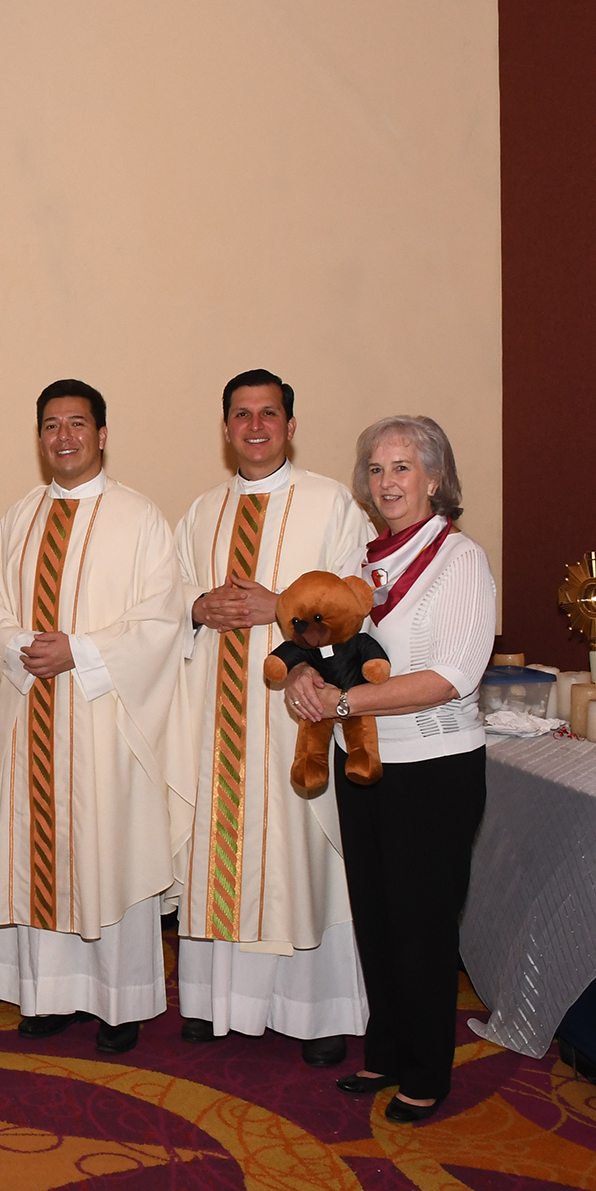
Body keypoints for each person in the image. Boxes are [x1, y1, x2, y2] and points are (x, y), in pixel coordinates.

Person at [283, 414, 494, 1122]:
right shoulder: (362, 560)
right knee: (374, 914)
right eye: (376, 469)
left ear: (435, 478)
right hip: (364, 761)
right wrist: (303, 677)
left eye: (403, 467)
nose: (387, 481)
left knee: (421, 922)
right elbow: (322, 642)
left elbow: (453, 675)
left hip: (433, 766)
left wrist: (345, 700)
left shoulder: (460, 560)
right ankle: (387, 1049)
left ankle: (427, 1070)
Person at [0, 381, 186, 1053]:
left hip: (105, 724)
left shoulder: (139, 517)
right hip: (31, 715)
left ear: (101, 434)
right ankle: (49, 995)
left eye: (77, 424)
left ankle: (120, 1002)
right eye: (51, 425)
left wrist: (81, 650)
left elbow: (161, 618)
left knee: (107, 854)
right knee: (41, 853)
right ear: (39, 437)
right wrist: (17, 644)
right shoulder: (20, 517)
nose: (63, 437)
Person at [172, 370, 376, 1066]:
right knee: (217, 851)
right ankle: (212, 1003)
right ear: (226, 428)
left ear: (290, 425)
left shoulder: (331, 504)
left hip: (295, 711)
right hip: (215, 718)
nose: (254, 426)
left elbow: (355, 601)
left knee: (297, 859)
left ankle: (313, 1010)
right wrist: (198, 608)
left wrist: (280, 606)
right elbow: (167, 600)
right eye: (241, 414)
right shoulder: (202, 512)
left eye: (268, 414)